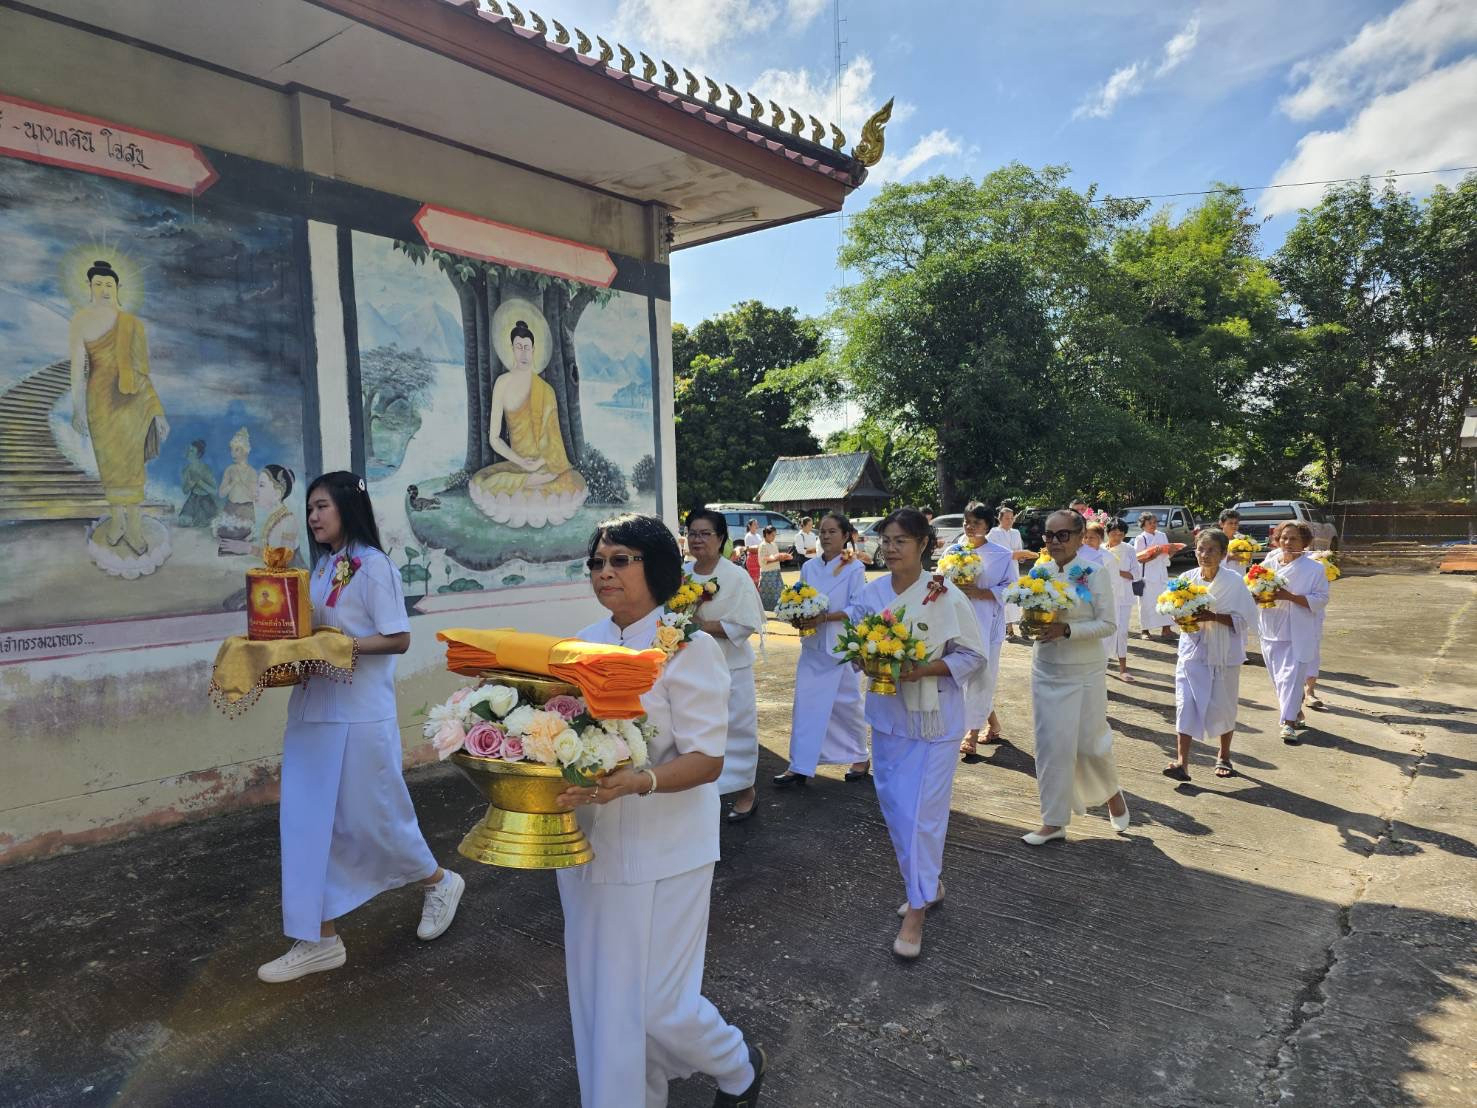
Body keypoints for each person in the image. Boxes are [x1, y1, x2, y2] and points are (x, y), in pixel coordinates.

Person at [556, 513, 766, 1108]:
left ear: (657, 566)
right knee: (603, 1001)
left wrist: (636, 781)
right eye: (597, 562)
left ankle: (737, 1063)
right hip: (590, 842)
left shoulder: (689, 647)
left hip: (666, 849)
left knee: (657, 1006)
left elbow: (706, 761)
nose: (605, 572)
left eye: (621, 559)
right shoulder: (585, 638)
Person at [258, 471, 462, 984]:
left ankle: (438, 882)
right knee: (306, 826)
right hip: (312, 714)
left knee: (376, 821)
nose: (313, 517)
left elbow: (397, 639)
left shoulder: (373, 569)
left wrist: (338, 647)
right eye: (309, 509)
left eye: (322, 506)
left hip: (358, 717)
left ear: (348, 506)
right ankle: (318, 938)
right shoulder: (323, 568)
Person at [841, 508, 984, 959]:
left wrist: (925, 669)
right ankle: (929, 883)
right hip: (888, 717)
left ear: (924, 544)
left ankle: (917, 908)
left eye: (900, 540)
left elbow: (971, 655)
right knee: (898, 810)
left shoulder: (946, 595)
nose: (890, 547)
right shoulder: (871, 593)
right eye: (885, 539)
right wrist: (865, 660)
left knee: (924, 814)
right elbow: (855, 646)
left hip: (936, 721)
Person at [1022, 510, 1130, 846]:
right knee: (1051, 746)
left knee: (1089, 744)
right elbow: (1030, 616)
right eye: (1049, 535)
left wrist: (1067, 629)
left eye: (1063, 535)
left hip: (1084, 671)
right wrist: (1030, 626)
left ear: (1081, 537)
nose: (1054, 542)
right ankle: (1053, 822)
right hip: (1047, 668)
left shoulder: (1094, 573)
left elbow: (1109, 624)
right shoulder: (1038, 571)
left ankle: (1112, 792)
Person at [68, 259, 169, 555]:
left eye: (108, 285)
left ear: (117, 288)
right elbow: (77, 369)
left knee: (132, 463)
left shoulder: (131, 324)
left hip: (133, 399)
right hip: (100, 399)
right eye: (98, 284)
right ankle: (117, 522)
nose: (103, 290)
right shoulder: (81, 321)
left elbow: (143, 372)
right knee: (109, 462)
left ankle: (134, 526)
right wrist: (77, 409)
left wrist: (157, 410)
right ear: (89, 288)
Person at [775, 511, 872, 787]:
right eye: (822, 531)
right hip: (814, 645)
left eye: (832, 532)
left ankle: (859, 756)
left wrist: (826, 617)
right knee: (805, 704)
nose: (826, 536)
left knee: (847, 706)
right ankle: (800, 765)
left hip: (840, 647)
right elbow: (799, 598)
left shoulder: (854, 568)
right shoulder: (809, 567)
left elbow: (859, 609)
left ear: (845, 536)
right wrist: (797, 615)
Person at [468, 314, 588, 527]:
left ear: (534, 351)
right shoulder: (502, 384)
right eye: (518, 346)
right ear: (512, 349)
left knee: (567, 482)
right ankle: (528, 481)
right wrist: (520, 461)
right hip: (517, 463)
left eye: (527, 347)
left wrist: (540, 462)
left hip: (545, 465)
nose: (523, 352)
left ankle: (532, 481)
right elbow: (494, 438)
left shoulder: (546, 390)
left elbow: (553, 443)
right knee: (484, 482)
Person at [685, 509, 766, 821]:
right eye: (693, 533)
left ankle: (746, 791)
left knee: (736, 730)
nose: (697, 540)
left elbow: (746, 623)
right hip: (692, 666)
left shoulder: (736, 576)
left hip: (730, 666)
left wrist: (701, 625)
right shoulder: (683, 572)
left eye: (705, 534)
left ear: (720, 539)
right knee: (697, 731)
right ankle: (700, 793)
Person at [1162, 530, 1257, 781]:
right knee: (1185, 704)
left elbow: (1246, 618)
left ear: (1224, 554)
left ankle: (1224, 755)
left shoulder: (1234, 581)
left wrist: (1213, 616)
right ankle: (1182, 763)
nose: (1204, 555)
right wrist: (1179, 616)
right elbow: (1174, 608)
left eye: (1211, 550)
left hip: (1224, 654)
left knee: (1223, 705)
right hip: (1192, 650)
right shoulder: (1185, 578)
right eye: (1201, 549)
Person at [1257, 522, 1330, 744]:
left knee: (1290, 677)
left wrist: (1289, 597)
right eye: (1284, 538)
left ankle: (1287, 723)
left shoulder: (1314, 569)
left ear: (1304, 543)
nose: (1287, 543)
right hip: (1269, 628)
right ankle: (1295, 709)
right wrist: (1256, 596)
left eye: (1294, 539)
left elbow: (1322, 599)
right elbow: (1254, 587)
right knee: (1279, 679)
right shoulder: (1269, 562)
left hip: (1298, 631)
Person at [950, 503, 1014, 757]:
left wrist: (982, 592)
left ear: (987, 525)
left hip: (988, 623)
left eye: (975, 522)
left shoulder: (1001, 554)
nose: (969, 526)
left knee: (982, 676)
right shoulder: (953, 550)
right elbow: (938, 579)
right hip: (956, 623)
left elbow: (1011, 588)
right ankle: (993, 723)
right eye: (967, 521)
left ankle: (971, 733)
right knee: (961, 676)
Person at [1133, 511, 1183, 641]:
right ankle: (1145, 630)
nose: (1153, 525)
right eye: (1150, 523)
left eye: (1155, 522)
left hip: (1161, 573)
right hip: (1147, 575)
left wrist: (1172, 552)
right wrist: (1154, 555)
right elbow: (1139, 559)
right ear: (1143, 525)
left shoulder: (1161, 535)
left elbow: (1167, 554)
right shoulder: (1141, 538)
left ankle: (1166, 629)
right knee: (1146, 603)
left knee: (1165, 600)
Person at [989, 505, 1032, 638]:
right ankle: (1007, 629)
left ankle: (1012, 626)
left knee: (1013, 598)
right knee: (1003, 598)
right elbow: (992, 553)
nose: (1010, 521)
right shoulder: (993, 533)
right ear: (1000, 519)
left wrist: (1022, 558)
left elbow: (1019, 551)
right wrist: (1013, 554)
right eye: (1007, 518)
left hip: (1013, 569)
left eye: (1012, 518)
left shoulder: (1016, 533)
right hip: (1000, 571)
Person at [1104, 518, 1138, 682]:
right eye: (1113, 533)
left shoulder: (1129, 549)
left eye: (1120, 533)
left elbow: (1136, 574)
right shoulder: (1101, 548)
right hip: (1104, 595)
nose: (1117, 536)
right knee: (1103, 631)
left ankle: (1123, 669)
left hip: (1123, 596)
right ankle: (1101, 665)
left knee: (1122, 632)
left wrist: (1117, 572)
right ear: (1107, 532)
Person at [177, 439, 219, 527]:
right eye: (188, 450)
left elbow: (214, 490)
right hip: (192, 500)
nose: (188, 452)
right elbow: (184, 491)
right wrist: (190, 484)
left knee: (204, 523)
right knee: (183, 522)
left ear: (198, 454)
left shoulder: (205, 469)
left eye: (192, 451)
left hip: (205, 501)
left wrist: (199, 482)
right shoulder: (186, 470)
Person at [756, 524, 790, 610]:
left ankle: (780, 609)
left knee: (779, 592)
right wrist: (778, 558)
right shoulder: (763, 545)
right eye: (772, 535)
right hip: (767, 573)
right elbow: (764, 561)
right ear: (767, 535)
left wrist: (781, 558)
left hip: (776, 571)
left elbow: (775, 557)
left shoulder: (774, 544)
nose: (774, 537)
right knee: (766, 594)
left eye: (775, 535)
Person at [740, 518, 763, 588]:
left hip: (759, 559)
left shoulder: (758, 536)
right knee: (754, 581)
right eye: (754, 524)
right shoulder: (748, 536)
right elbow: (749, 549)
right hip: (752, 560)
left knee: (759, 580)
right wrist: (759, 548)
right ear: (749, 526)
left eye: (757, 524)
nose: (756, 526)